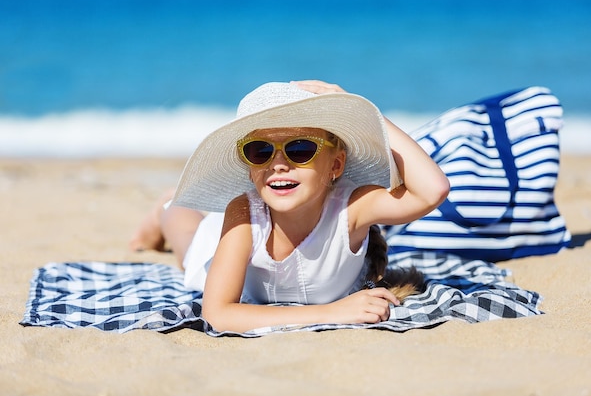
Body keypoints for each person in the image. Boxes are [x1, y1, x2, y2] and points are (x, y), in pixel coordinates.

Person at [130, 80, 449, 333]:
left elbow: (433, 190)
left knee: (190, 230)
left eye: (299, 149)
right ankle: (165, 208)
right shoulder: (244, 213)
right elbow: (218, 314)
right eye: (260, 151)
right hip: (223, 240)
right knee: (187, 240)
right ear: (250, 166)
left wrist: (372, 116)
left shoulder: (351, 209)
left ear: (335, 165)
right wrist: (330, 313)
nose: (278, 164)